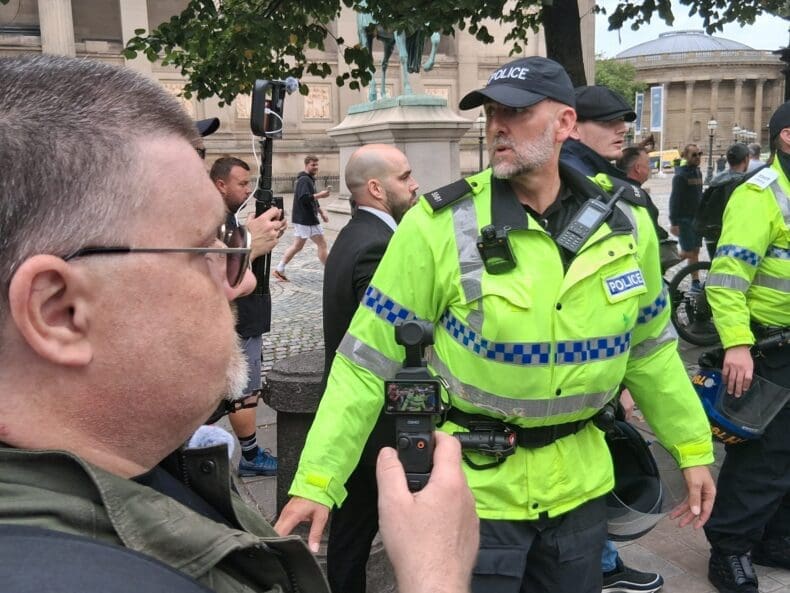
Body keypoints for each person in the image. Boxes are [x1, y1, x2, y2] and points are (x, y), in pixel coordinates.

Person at [0, 54, 480, 593]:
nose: (244, 282)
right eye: (210, 247)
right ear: (58, 312)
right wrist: (435, 575)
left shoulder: (144, 473)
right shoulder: (81, 574)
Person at [276, 56, 716, 593]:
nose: (496, 127)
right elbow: (365, 364)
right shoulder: (439, 225)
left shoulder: (625, 225)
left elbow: (650, 351)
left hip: (580, 496)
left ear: (564, 124)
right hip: (474, 493)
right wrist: (318, 482)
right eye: (491, 114)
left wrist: (691, 449)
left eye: (517, 112)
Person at [561, 85, 666, 593]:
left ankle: (600, 564)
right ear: (572, 125)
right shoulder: (595, 189)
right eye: (608, 122)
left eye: (623, 120)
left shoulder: (612, 187)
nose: (622, 129)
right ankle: (601, 566)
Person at [321, 144, 419, 593]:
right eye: (405, 176)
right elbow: (394, 335)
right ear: (377, 188)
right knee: (380, 525)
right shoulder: (377, 245)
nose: (415, 184)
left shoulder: (353, 233)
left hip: (359, 409)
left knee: (352, 527)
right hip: (377, 413)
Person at [703, 102, 790, 593]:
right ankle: (730, 549)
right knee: (764, 458)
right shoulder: (761, 196)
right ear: (787, 137)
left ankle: (776, 538)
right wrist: (737, 343)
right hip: (771, 349)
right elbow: (727, 278)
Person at [210, 156, 283, 476]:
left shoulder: (227, 219)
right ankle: (251, 456)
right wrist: (250, 243)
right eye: (242, 183)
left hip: (248, 314)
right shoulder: (215, 222)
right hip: (240, 317)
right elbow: (228, 279)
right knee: (245, 390)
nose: (248, 189)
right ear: (220, 184)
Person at [273, 156, 331, 281]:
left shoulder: (308, 179)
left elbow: (311, 199)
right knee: (322, 244)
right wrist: (320, 195)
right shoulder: (305, 180)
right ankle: (332, 272)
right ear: (306, 165)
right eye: (313, 165)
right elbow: (304, 198)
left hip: (303, 218)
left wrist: (321, 211)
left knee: (297, 246)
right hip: (307, 219)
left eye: (316, 165)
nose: (315, 167)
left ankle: (279, 269)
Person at [697, 143, 750, 258]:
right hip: (731, 234)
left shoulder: (717, 179)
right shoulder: (743, 182)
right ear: (746, 159)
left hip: (711, 232)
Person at [669, 144, 704, 289]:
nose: (697, 158)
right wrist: (674, 222)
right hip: (685, 220)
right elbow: (674, 199)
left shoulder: (698, 173)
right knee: (687, 252)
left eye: (699, 154)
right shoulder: (680, 176)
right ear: (685, 156)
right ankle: (661, 266)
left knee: (695, 251)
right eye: (694, 155)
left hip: (697, 220)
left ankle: (695, 281)